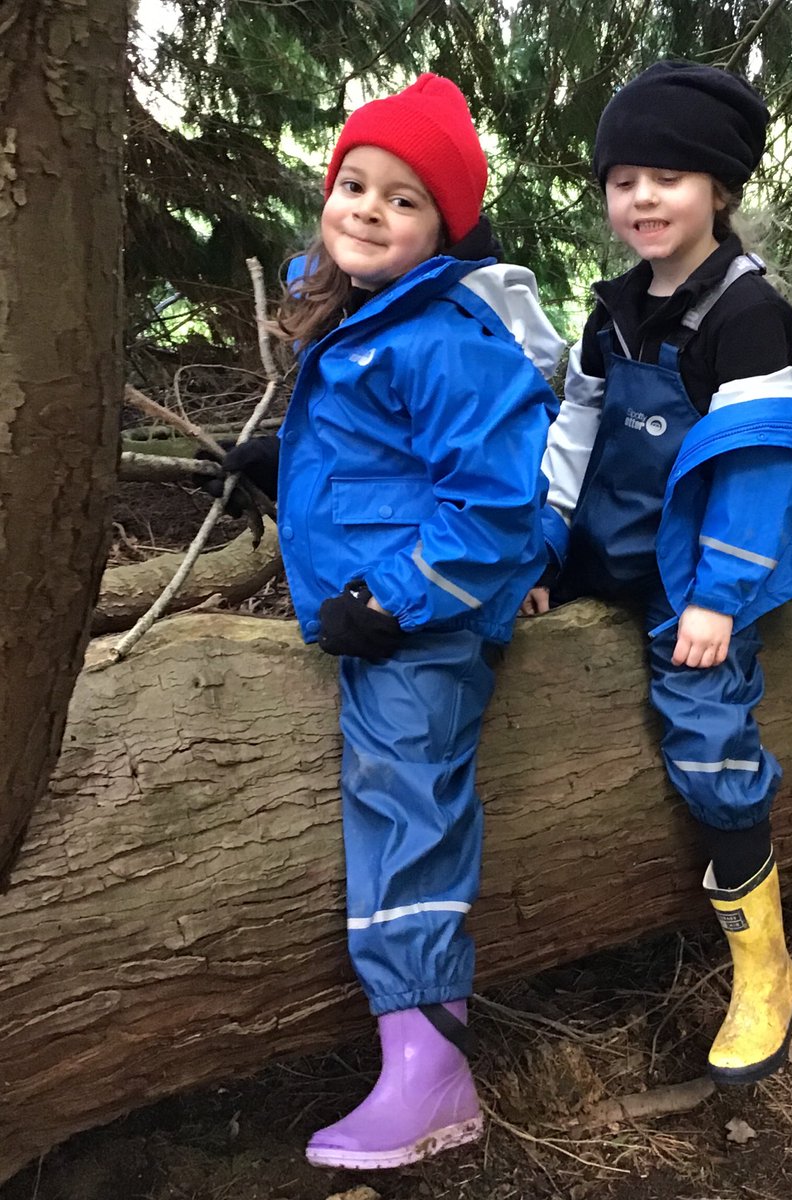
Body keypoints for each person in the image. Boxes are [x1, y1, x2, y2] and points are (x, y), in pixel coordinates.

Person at [214, 74, 563, 1168]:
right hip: (375, 613)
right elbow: (381, 464)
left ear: (443, 228)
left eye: (403, 199)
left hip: (427, 626)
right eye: (354, 184)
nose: (367, 209)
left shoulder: (445, 337)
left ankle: (430, 1069)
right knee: (388, 786)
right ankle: (418, 1057)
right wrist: (285, 470)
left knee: (406, 796)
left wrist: (392, 599)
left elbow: (492, 505)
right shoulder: (364, 317)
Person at [520, 60, 792, 1086]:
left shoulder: (748, 314)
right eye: (623, 180)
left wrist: (717, 598)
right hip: (609, 542)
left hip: (699, 566)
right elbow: (577, 427)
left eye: (667, 178)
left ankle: (766, 968)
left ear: (718, 188)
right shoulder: (612, 307)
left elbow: (755, 468)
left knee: (709, 734)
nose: (642, 198)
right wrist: (547, 547)